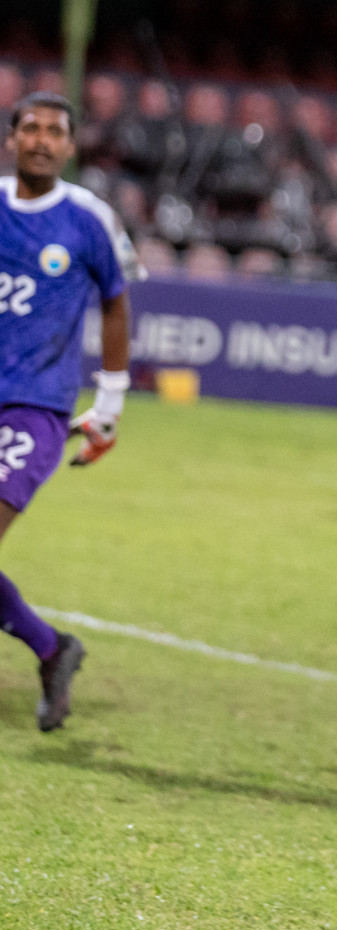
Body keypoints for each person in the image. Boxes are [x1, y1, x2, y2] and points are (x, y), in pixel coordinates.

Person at [2, 92, 139, 731]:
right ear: (11, 139)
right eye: (31, 127)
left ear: (71, 146)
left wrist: (108, 403)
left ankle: (52, 649)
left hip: (36, 409)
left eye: (56, 131)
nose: (42, 139)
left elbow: (116, 303)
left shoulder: (88, 218)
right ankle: (53, 648)